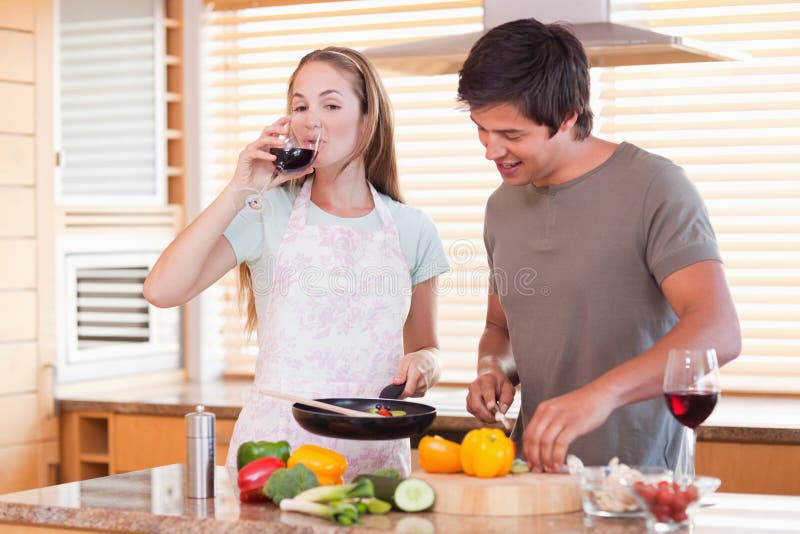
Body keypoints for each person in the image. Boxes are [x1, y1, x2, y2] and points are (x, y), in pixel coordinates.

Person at [143, 46, 449, 485]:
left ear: (368, 118)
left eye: (330, 104)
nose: (312, 119)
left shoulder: (413, 228)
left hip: (373, 468)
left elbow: (427, 347)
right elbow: (161, 290)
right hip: (274, 458)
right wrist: (239, 187)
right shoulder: (265, 209)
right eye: (300, 106)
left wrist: (426, 365)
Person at [457, 19, 741, 473]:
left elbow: (718, 329)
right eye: (481, 129)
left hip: (638, 479)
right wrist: (493, 369)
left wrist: (602, 393)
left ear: (568, 116)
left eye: (511, 135)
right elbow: (501, 327)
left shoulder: (654, 186)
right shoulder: (501, 207)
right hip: (533, 475)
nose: (491, 150)